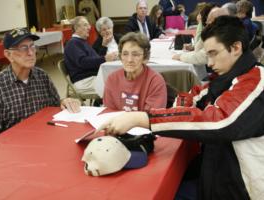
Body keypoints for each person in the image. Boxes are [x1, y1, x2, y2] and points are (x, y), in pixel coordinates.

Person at [97, 16, 264, 199]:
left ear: (236, 48)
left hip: (241, 187)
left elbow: (220, 120)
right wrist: (183, 106)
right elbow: (194, 95)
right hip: (217, 171)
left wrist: (142, 118)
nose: (209, 63)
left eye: (213, 53)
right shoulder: (229, 77)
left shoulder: (256, 79)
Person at [0, 28, 81, 143]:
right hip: (16, 148)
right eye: (23, 48)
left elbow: (55, 108)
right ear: (8, 55)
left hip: (46, 139)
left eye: (32, 46)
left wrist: (64, 102)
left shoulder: (42, 76)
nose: (31, 53)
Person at [103, 32, 167, 111]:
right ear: (120, 56)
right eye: (125, 54)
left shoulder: (155, 81)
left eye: (135, 54)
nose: (129, 60)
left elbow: (152, 117)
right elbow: (108, 112)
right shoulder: (112, 79)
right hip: (116, 122)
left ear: (145, 57)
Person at [64, 16, 117, 94]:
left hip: (91, 77)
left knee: (118, 78)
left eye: (88, 25)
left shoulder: (81, 41)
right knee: (117, 84)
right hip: (84, 81)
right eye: (85, 25)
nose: (89, 27)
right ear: (76, 28)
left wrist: (104, 46)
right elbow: (83, 62)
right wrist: (105, 58)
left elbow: (96, 60)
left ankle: (100, 103)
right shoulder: (73, 43)